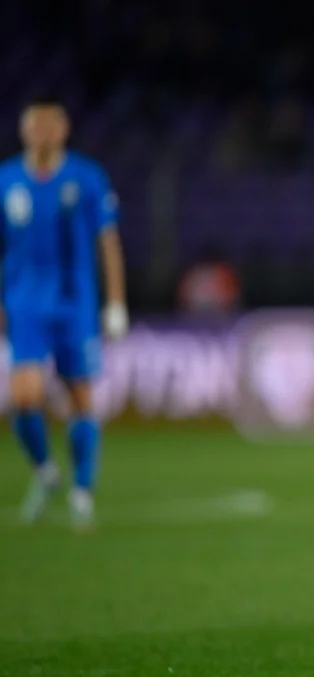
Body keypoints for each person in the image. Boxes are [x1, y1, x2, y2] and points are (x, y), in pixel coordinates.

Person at [1, 96, 128, 530]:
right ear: (24, 131)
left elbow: (108, 242)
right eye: (35, 126)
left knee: (81, 398)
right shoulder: (6, 180)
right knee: (24, 396)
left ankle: (81, 491)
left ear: (64, 130)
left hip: (75, 304)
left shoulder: (87, 177)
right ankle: (45, 471)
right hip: (24, 303)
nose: (43, 133)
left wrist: (116, 302)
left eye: (50, 125)